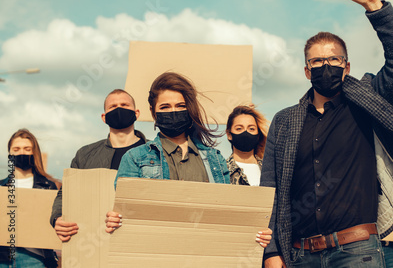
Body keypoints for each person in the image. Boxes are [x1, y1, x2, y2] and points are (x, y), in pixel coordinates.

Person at [260, 0, 393, 268]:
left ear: (347, 66)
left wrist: (374, 7)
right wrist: (272, 251)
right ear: (306, 71)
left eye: (334, 59)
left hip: (357, 250)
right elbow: (270, 189)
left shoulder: (366, 102)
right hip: (300, 254)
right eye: (317, 61)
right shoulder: (284, 121)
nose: (325, 66)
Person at [105, 72, 271, 247]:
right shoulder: (134, 158)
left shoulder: (215, 159)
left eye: (180, 105)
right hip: (156, 251)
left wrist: (256, 232)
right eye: (165, 107)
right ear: (153, 112)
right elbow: (126, 214)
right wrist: (114, 220)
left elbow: (227, 215)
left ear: (189, 109)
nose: (173, 111)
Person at [50, 89, 146, 242]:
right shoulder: (85, 155)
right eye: (113, 107)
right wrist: (57, 218)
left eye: (124, 105)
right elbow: (66, 192)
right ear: (104, 117)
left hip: (139, 238)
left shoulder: (154, 152)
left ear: (137, 113)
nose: (119, 109)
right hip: (94, 240)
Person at [0, 129, 59, 268]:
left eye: (27, 149)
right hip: (2, 256)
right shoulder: (1, 187)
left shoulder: (49, 187)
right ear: (10, 154)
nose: (22, 152)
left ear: (34, 153)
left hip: (34, 257)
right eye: (16, 149)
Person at [226, 105, 268, 186]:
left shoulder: (269, 171)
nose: (245, 133)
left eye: (251, 129)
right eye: (239, 128)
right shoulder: (222, 171)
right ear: (229, 134)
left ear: (258, 135)